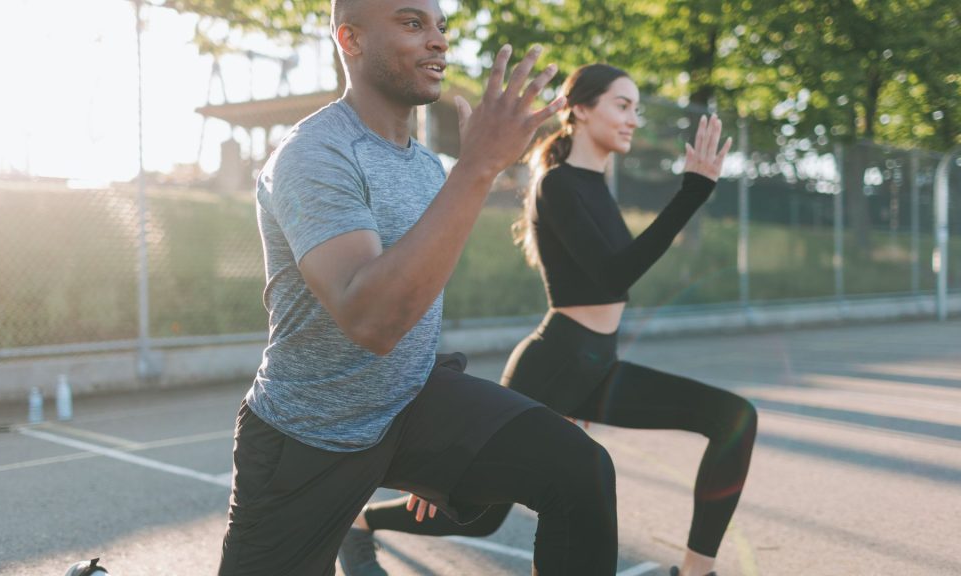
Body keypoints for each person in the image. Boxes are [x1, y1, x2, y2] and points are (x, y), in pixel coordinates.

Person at [216, 1, 622, 575]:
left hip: (407, 406)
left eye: (441, 27)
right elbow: (372, 320)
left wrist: (442, 447)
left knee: (579, 469)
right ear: (350, 40)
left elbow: (417, 300)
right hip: (308, 436)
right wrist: (478, 166)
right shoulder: (313, 156)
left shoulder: (428, 168)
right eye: (412, 24)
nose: (437, 40)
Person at [340, 64, 758, 576]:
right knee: (478, 518)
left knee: (733, 418)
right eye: (622, 105)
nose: (632, 119)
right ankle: (359, 522)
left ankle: (698, 571)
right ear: (580, 109)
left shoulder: (596, 185)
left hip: (597, 365)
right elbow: (613, 276)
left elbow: (613, 279)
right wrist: (692, 191)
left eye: (636, 108)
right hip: (554, 364)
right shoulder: (556, 185)